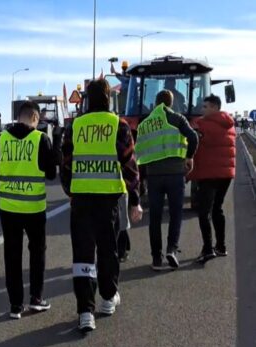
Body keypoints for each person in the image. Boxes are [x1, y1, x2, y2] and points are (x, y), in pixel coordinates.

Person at [61, 78, 142, 332]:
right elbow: (129, 165)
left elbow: (65, 164)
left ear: (86, 99)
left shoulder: (75, 126)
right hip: (109, 199)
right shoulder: (118, 125)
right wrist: (135, 199)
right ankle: (108, 298)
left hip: (82, 199)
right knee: (108, 251)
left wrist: (71, 192)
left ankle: (85, 311)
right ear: (109, 98)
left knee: (83, 255)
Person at [0, 101, 59, 319]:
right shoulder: (40, 139)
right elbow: (50, 174)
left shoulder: (2, 139)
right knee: (37, 252)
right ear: (35, 118)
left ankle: (15, 305)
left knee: (12, 254)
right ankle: (36, 299)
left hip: (8, 207)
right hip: (33, 207)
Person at [135, 90, 198, 271]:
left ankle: (156, 258)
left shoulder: (144, 124)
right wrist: (189, 157)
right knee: (175, 214)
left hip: (153, 176)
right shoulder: (177, 119)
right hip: (175, 174)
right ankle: (172, 249)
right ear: (171, 103)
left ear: (155, 103)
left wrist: (141, 178)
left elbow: (139, 150)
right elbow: (193, 137)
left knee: (154, 217)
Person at [188, 94, 235, 263]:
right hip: (226, 174)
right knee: (217, 209)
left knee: (204, 212)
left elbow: (195, 148)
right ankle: (221, 246)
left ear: (215, 107)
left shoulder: (202, 125)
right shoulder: (229, 124)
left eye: (205, 107)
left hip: (209, 174)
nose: (202, 110)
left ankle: (208, 249)